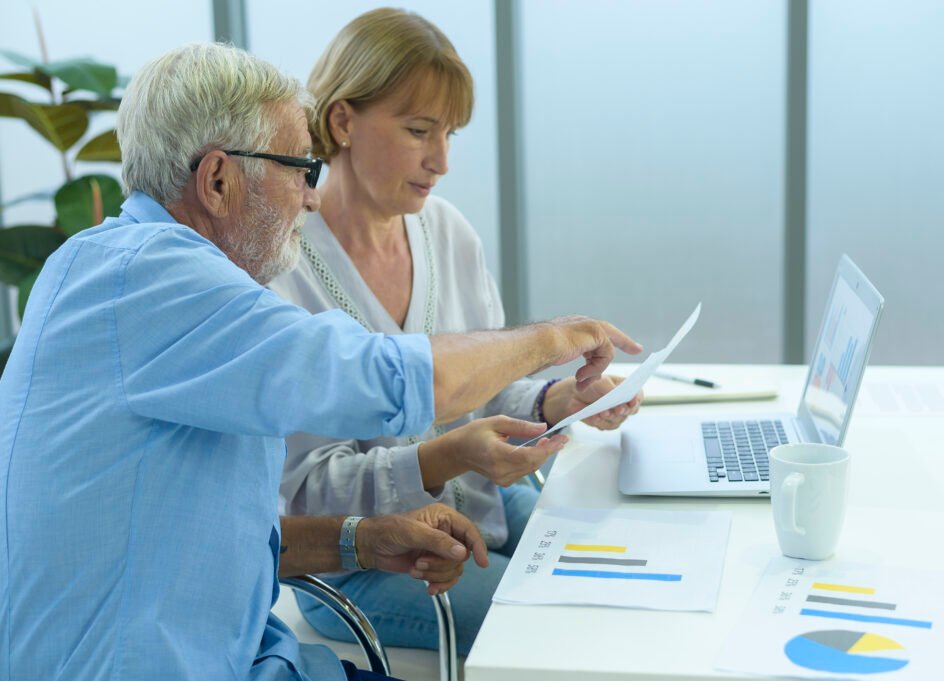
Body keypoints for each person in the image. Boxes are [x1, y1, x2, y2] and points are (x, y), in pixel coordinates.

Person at [0, 43, 642, 681]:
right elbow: (393, 378)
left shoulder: (132, 272)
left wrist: (361, 539)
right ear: (218, 178)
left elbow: (219, 538)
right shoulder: (148, 280)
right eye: (298, 170)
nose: (309, 197)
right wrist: (554, 337)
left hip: (251, 654)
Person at [269, 8, 643, 656]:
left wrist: (558, 400)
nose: (440, 160)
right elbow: (305, 491)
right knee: (564, 631)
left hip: (481, 508)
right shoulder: (284, 271)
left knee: (625, 570)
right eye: (419, 131)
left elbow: (493, 389)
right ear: (342, 121)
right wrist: (450, 455)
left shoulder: (446, 231)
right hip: (369, 561)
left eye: (449, 134)